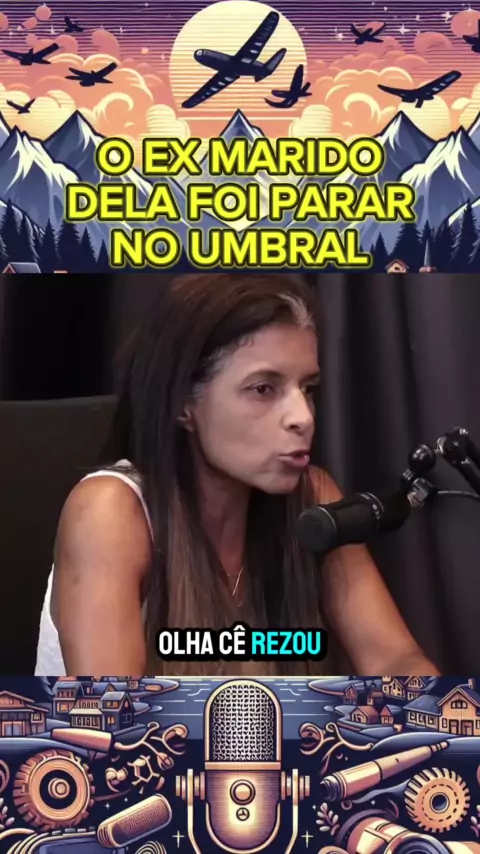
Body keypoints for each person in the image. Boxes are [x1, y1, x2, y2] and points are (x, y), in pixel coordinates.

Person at [35, 272, 439, 677]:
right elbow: (114, 711)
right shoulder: (110, 513)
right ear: (182, 404)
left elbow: (395, 660)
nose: (303, 417)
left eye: (308, 388)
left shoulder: (313, 499)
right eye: (263, 389)